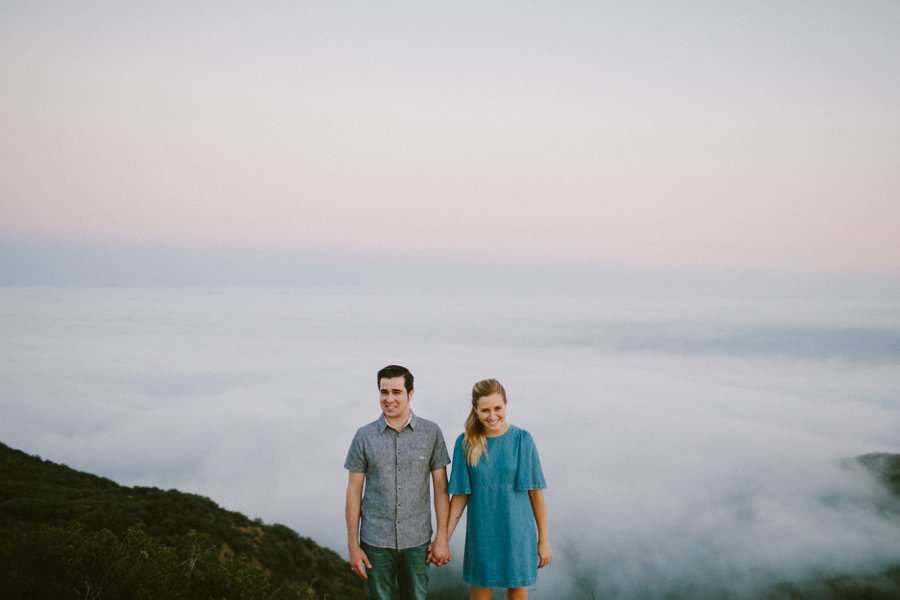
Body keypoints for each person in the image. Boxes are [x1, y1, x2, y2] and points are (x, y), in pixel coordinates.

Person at [345, 364, 452, 600]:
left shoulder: (431, 432)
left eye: (396, 392)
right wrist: (353, 545)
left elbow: (441, 489)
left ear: (410, 394)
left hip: (418, 541)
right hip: (375, 541)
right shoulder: (364, 436)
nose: (389, 399)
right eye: (384, 392)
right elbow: (353, 492)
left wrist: (442, 538)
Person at [447, 378, 552, 600]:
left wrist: (543, 539)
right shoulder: (465, 443)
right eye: (485, 410)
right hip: (481, 534)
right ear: (475, 409)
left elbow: (535, 493)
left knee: (518, 595)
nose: (492, 416)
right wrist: (443, 540)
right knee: (480, 596)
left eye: (498, 408)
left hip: (518, 533)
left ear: (506, 404)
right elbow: (460, 495)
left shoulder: (522, 440)